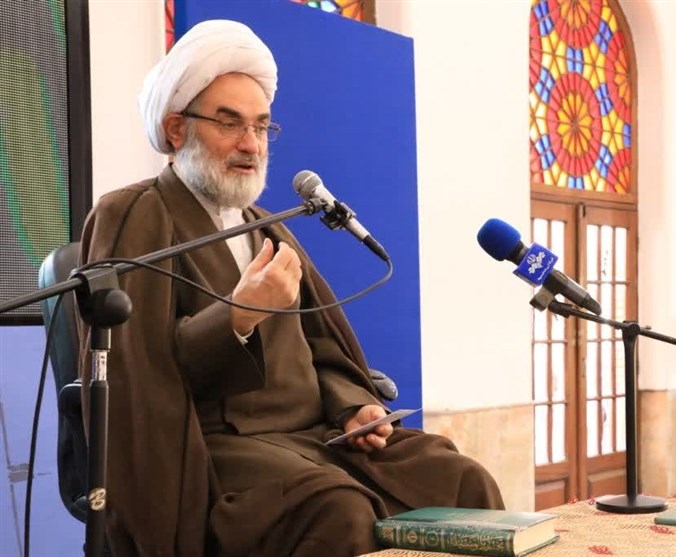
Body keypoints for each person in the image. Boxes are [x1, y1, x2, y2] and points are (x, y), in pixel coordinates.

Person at [77, 19, 504, 557]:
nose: (250, 144)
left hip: (320, 438)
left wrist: (353, 406)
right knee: (338, 509)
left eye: (261, 127)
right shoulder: (134, 213)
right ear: (176, 129)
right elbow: (138, 372)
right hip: (220, 449)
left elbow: (323, 348)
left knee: (460, 478)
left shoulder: (265, 225)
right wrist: (238, 315)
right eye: (230, 123)